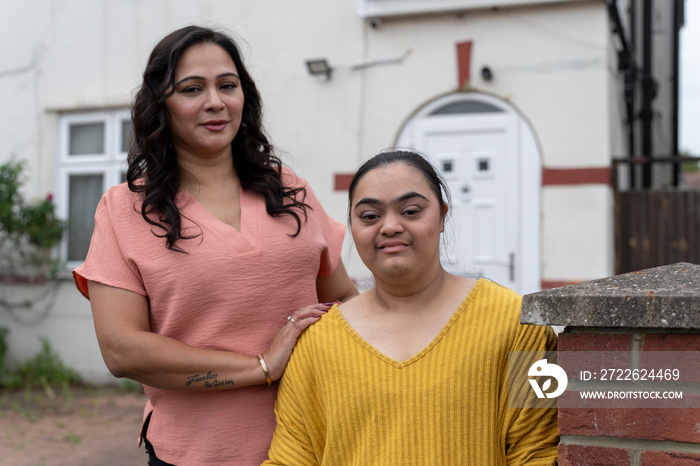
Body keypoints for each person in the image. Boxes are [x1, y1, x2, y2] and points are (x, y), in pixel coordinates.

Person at [72, 25, 358, 465]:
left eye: (228, 85)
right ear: (160, 104)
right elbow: (122, 349)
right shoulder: (125, 209)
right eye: (192, 89)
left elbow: (342, 302)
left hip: (311, 445)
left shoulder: (289, 190)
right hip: (195, 453)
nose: (215, 102)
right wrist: (261, 366)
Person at [264, 150, 558, 465]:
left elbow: (538, 451)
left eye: (411, 211)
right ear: (351, 226)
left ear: (443, 216)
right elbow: (291, 459)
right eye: (369, 216)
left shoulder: (518, 324)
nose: (390, 226)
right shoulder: (315, 344)